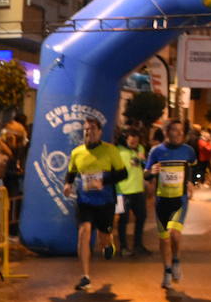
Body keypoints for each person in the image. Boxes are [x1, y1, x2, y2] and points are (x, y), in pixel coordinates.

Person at [63, 117, 126, 290]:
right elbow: (71, 172)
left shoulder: (110, 150)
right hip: (85, 201)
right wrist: (67, 184)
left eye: (92, 129)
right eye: (86, 129)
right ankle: (85, 276)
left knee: (104, 236)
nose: (88, 132)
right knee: (84, 232)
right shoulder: (77, 152)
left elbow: (122, 174)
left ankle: (108, 243)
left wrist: (103, 179)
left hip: (105, 201)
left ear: (99, 131)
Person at [146, 119, 198, 289]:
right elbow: (146, 173)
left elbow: (193, 168)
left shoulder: (188, 150)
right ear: (167, 132)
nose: (179, 134)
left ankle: (176, 260)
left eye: (181, 131)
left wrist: (191, 182)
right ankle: (167, 270)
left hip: (180, 199)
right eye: (175, 130)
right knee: (164, 238)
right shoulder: (156, 151)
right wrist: (150, 172)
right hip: (162, 200)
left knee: (174, 234)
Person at [114, 129, 150, 255]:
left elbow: (144, 165)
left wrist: (142, 159)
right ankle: (123, 247)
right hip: (121, 191)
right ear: (125, 139)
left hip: (138, 190)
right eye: (131, 138)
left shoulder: (140, 148)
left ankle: (138, 245)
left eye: (136, 139)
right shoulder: (117, 150)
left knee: (141, 217)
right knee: (123, 220)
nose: (134, 141)